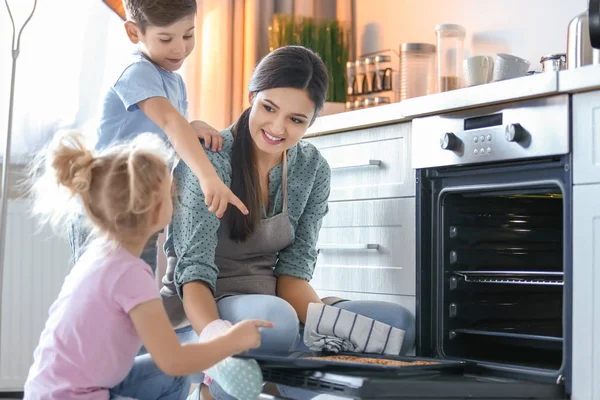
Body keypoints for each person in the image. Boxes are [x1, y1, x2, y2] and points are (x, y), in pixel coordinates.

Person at [161, 45, 416, 400]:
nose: (277, 128)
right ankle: (216, 386)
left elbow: (293, 277)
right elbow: (193, 279)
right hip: (203, 313)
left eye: (297, 119)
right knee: (277, 322)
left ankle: (294, 380)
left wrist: (329, 327)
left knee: (398, 326)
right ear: (251, 96)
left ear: (311, 122)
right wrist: (214, 341)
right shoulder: (209, 161)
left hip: (276, 304)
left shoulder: (312, 168)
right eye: (268, 108)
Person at [24, 131, 272, 400]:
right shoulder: (129, 274)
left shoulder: (101, 256)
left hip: (49, 390)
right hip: (72, 396)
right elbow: (173, 360)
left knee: (173, 378)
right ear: (152, 208)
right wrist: (232, 341)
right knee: (176, 369)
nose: (175, 198)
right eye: (170, 192)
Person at [68, 0, 248, 273]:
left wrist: (191, 125)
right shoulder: (135, 70)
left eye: (188, 34)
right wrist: (209, 178)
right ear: (133, 33)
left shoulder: (173, 80)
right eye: (166, 39)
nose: (179, 48)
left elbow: (166, 129)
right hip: (107, 206)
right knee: (101, 294)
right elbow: (168, 122)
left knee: (137, 293)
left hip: (143, 207)